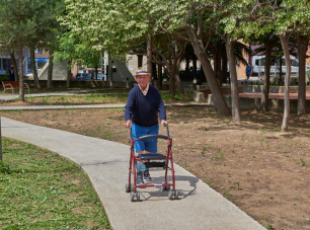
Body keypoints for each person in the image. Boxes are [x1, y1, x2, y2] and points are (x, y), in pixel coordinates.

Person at [125, 67, 168, 185]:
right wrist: (128, 119)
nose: (142, 79)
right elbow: (129, 107)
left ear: (148, 78)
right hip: (138, 126)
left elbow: (160, 105)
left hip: (153, 126)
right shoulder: (134, 92)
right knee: (139, 151)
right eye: (140, 77)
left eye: (144, 77)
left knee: (149, 151)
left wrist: (163, 118)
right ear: (137, 79)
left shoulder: (154, 91)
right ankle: (139, 174)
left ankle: (146, 171)